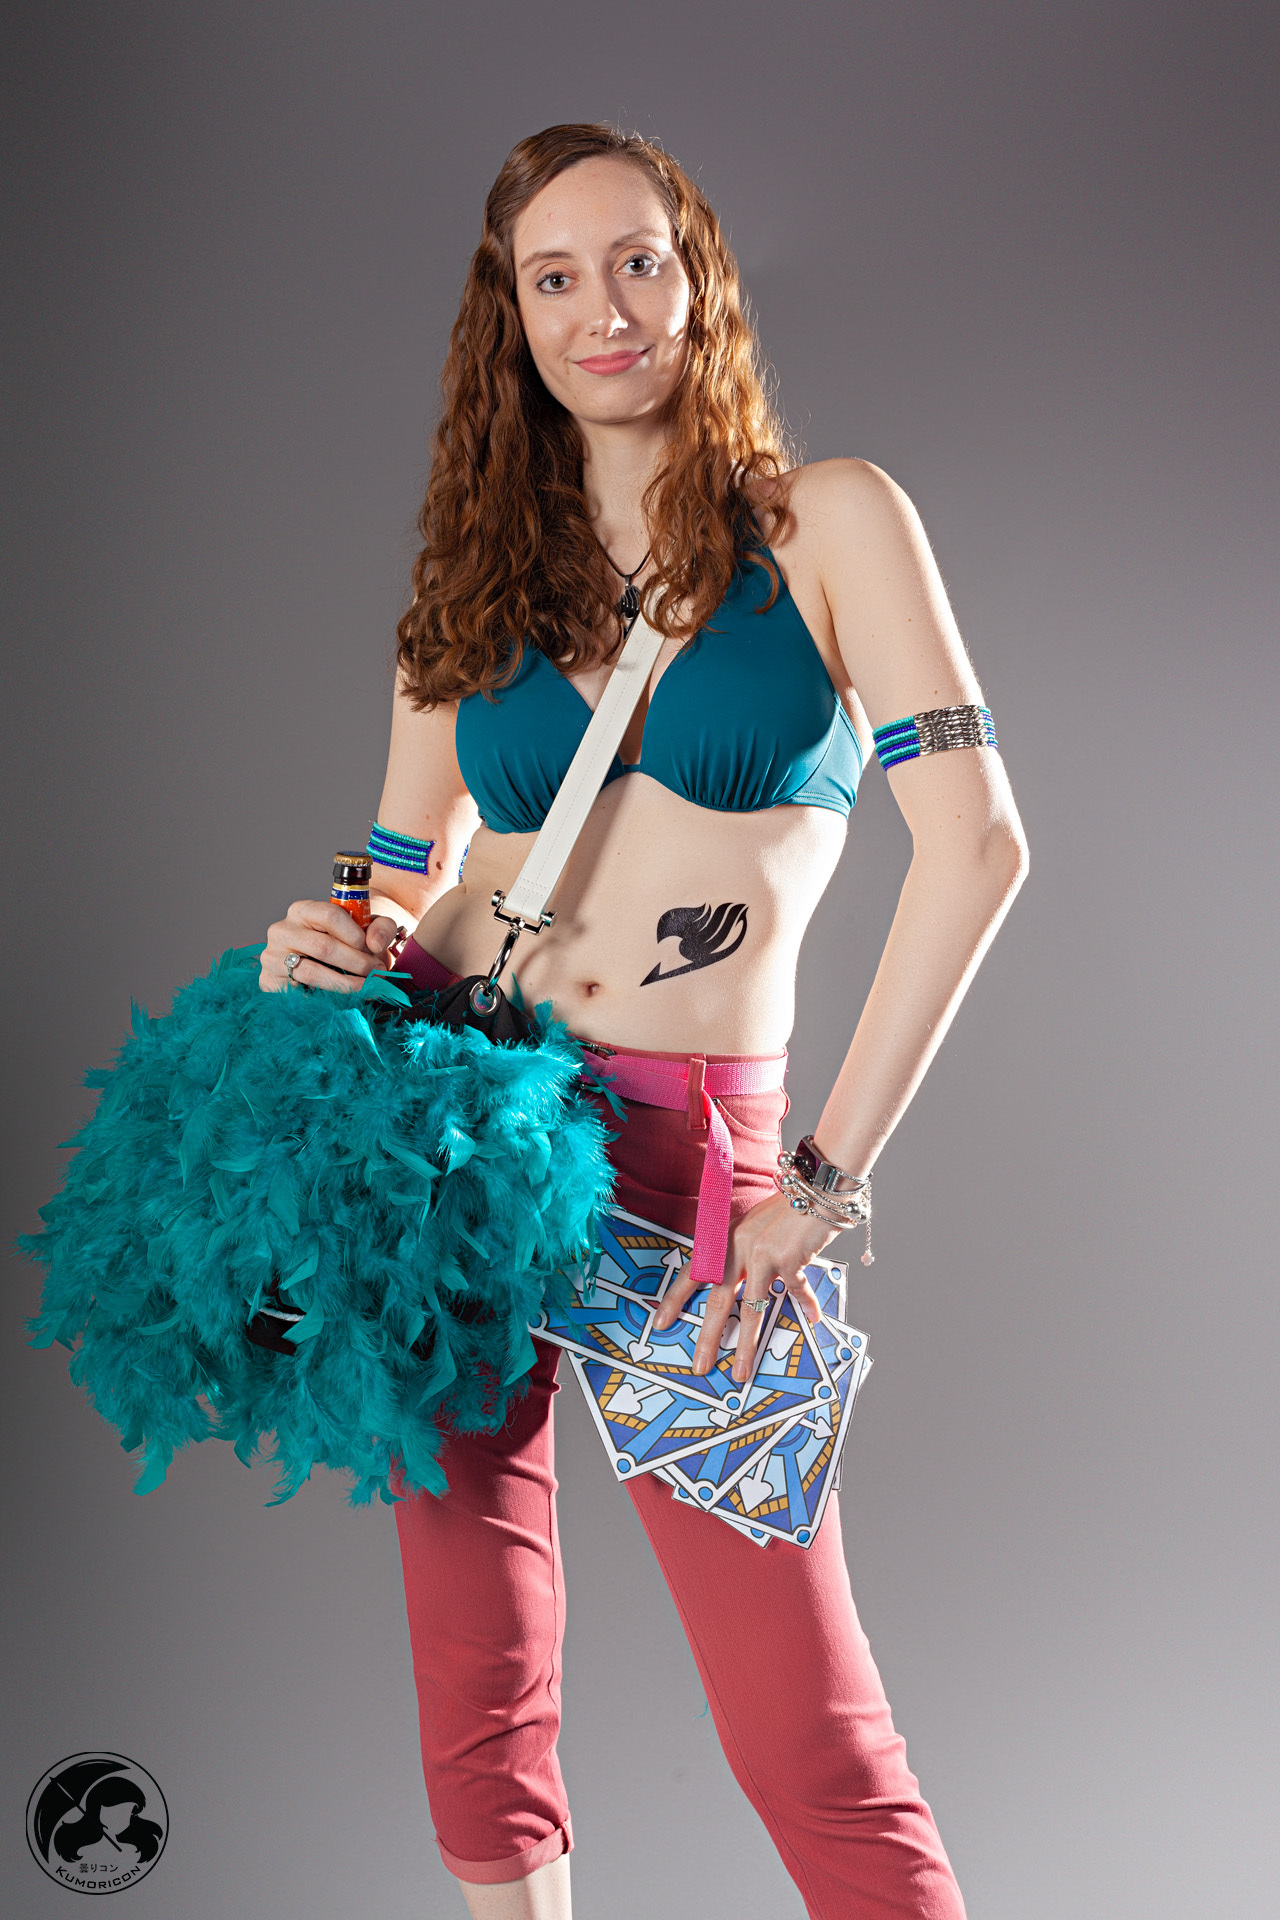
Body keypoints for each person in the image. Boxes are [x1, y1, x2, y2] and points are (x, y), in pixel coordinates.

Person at [261, 123, 1027, 1920]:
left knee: (804, 1723)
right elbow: (398, 874)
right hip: (456, 1125)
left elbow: (980, 848)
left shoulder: (828, 523)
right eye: (555, 276)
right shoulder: (469, 581)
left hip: (693, 1163)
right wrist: (331, 936)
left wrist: (819, 1176)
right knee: (476, 1659)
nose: (603, 308)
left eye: (638, 262)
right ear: (510, 319)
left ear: (700, 281)